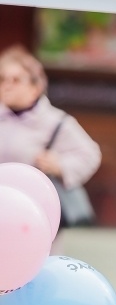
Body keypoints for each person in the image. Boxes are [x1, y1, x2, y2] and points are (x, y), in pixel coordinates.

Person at [0, 45, 101, 244]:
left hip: (35, 219)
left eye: (16, 80)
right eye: (2, 79)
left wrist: (60, 165)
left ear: (36, 87)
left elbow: (90, 154)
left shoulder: (55, 121)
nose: (7, 85)